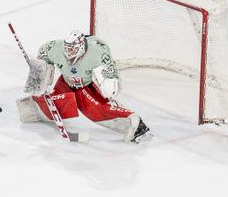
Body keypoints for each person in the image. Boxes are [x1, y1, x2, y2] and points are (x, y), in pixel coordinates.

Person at [16, 31, 152, 143]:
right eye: (67, 49)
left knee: (96, 111)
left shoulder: (98, 53)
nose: (68, 52)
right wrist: (39, 77)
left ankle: (135, 125)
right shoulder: (55, 48)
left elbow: (112, 74)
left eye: (72, 49)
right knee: (54, 104)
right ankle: (33, 110)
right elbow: (43, 54)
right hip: (66, 81)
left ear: (81, 47)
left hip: (86, 86)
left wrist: (109, 83)